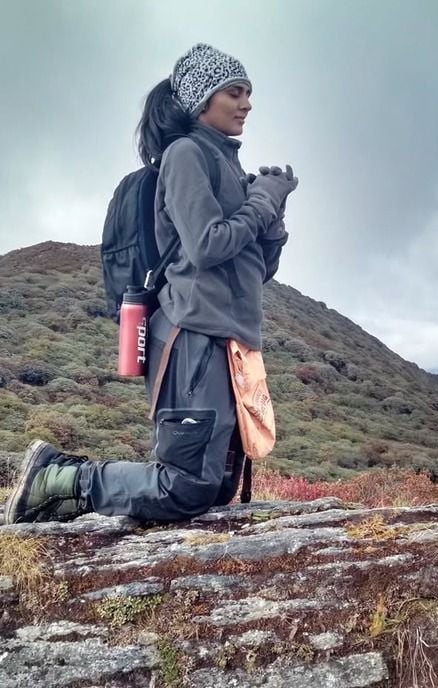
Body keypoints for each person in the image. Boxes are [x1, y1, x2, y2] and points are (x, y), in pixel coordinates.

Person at [4, 43, 297, 524]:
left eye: (249, 93)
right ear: (203, 100)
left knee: (217, 484)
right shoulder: (186, 154)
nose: (247, 103)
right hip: (191, 334)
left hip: (230, 342)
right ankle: (55, 480)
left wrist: (274, 215)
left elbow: (259, 270)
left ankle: (62, 490)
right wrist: (262, 203)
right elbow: (206, 246)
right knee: (185, 484)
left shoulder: (230, 167)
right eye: (235, 93)